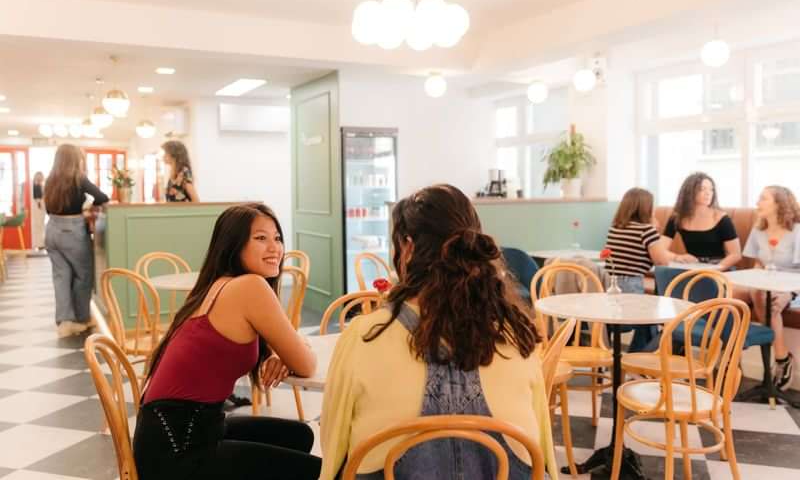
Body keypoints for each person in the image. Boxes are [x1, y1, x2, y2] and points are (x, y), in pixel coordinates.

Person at [320, 184, 558, 479]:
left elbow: (333, 449)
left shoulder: (365, 334)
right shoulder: (515, 334)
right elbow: (544, 453)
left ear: (407, 248)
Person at [134, 203, 320, 480]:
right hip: (179, 450)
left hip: (176, 431)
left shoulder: (218, 284)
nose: (275, 248)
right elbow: (306, 364)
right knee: (321, 472)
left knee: (299, 434)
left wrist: (281, 354)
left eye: (277, 238)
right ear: (233, 245)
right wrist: (294, 351)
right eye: (260, 238)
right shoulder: (249, 287)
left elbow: (289, 352)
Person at [605, 188, 693, 351]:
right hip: (631, 284)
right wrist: (656, 231)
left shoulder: (616, 227)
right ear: (646, 208)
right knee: (653, 318)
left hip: (610, 284)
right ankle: (638, 358)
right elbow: (661, 260)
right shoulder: (646, 230)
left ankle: (635, 358)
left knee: (649, 318)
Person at [43, 145, 109, 337]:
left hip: (52, 229)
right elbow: (102, 197)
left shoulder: (50, 180)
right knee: (83, 275)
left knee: (60, 277)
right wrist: (87, 209)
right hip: (72, 230)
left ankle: (64, 323)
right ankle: (81, 319)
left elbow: (49, 209)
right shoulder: (78, 178)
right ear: (74, 160)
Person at [742, 186, 800, 391]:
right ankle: (729, 358)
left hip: (794, 286)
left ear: (779, 204)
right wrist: (758, 278)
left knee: (770, 302)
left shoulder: (797, 230)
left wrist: (789, 293)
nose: (758, 202)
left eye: (763, 199)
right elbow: (758, 263)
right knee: (730, 294)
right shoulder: (758, 230)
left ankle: (782, 358)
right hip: (767, 283)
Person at [661, 172, 742, 270]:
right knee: (662, 270)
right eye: (702, 189)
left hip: (720, 268)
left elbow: (736, 255)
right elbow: (660, 250)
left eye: (711, 189)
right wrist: (677, 257)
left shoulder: (722, 218)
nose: (708, 193)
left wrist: (713, 270)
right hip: (693, 267)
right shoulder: (677, 218)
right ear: (689, 192)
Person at [31, 171, 46, 250]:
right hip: (38, 207)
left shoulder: (37, 186)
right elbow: (39, 199)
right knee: (39, 225)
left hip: (39, 207)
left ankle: (39, 243)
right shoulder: (36, 186)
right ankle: (39, 244)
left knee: (39, 225)